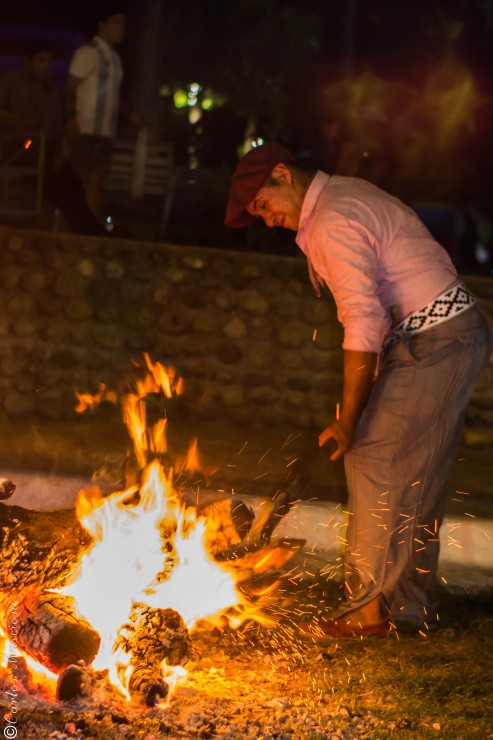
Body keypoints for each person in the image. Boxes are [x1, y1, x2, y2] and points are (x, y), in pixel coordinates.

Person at [224, 142, 492, 637]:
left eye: (262, 204)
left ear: (282, 174)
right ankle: (408, 610)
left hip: (437, 340)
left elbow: (362, 320)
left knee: (372, 456)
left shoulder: (331, 218)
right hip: (443, 335)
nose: (265, 219)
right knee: (415, 474)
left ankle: (369, 611)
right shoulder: (338, 201)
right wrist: (355, 401)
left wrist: (349, 420)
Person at [0, 39, 104, 235]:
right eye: (40, 60)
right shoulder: (10, 81)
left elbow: (56, 128)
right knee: (53, 175)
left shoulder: (50, 92)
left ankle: (86, 227)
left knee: (69, 181)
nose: (45, 66)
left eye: (48, 61)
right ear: (27, 61)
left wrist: (58, 153)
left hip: (42, 148)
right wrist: (21, 119)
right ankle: (86, 228)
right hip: (13, 145)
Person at [65, 5, 144, 218]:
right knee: (80, 180)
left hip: (106, 130)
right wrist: (71, 119)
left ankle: (88, 229)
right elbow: (71, 86)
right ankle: (72, 228)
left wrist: (128, 113)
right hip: (85, 127)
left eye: (123, 23)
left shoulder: (116, 59)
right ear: (102, 25)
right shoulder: (88, 53)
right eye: (116, 22)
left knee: (97, 181)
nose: (121, 28)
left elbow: (112, 94)